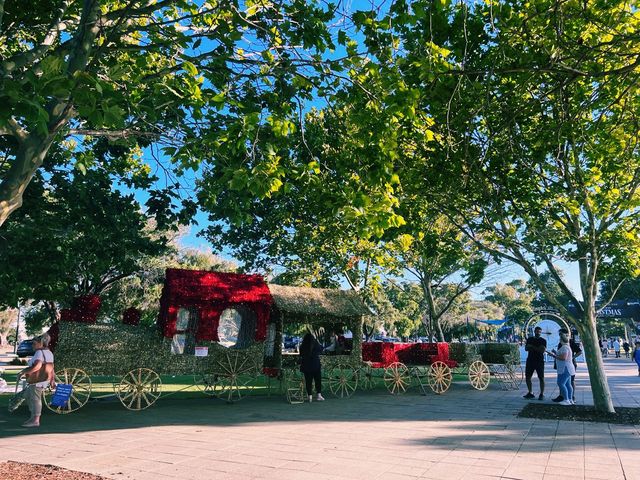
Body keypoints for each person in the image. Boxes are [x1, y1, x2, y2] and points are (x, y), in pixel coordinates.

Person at [15, 333, 55, 427]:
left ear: (40, 343)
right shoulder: (49, 352)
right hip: (44, 379)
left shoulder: (39, 353)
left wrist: (23, 372)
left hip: (37, 380)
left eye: (34, 343)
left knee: (35, 399)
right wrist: (52, 380)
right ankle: (33, 418)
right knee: (30, 397)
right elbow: (52, 368)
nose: (32, 345)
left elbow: (37, 366)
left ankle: (36, 420)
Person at [547, 328, 576, 406]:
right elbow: (562, 355)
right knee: (568, 384)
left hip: (564, 368)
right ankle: (570, 399)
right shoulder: (566, 347)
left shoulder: (564, 347)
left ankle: (566, 399)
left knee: (560, 383)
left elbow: (563, 358)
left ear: (561, 340)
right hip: (568, 368)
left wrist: (553, 355)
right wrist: (554, 353)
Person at [299, 333, 324, 402]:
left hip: (306, 365)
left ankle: (309, 396)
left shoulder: (303, 346)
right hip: (315, 365)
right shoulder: (315, 344)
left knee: (308, 381)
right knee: (318, 380)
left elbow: (300, 354)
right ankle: (319, 395)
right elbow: (321, 349)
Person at [523, 326, 546, 400]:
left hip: (539, 361)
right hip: (530, 360)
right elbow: (526, 348)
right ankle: (530, 392)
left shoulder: (543, 340)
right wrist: (537, 348)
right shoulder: (530, 339)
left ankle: (542, 394)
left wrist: (532, 346)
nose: (538, 333)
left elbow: (542, 351)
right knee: (528, 377)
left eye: (539, 332)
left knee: (541, 378)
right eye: (537, 331)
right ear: (534, 331)